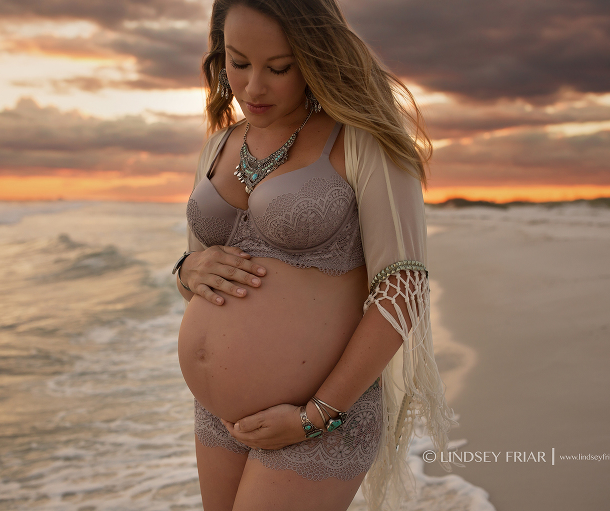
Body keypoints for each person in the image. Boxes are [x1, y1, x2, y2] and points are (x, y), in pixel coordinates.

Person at [172, 1, 457, 509]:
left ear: (315, 57)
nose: (254, 87)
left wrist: (315, 416)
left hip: (318, 419)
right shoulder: (218, 147)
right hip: (217, 416)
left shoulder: (364, 140)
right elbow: (201, 272)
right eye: (238, 63)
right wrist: (188, 268)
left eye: (278, 67)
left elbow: (404, 289)